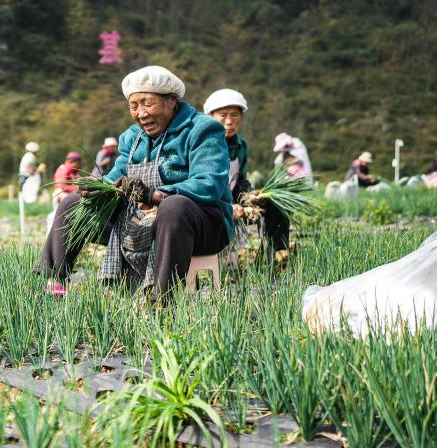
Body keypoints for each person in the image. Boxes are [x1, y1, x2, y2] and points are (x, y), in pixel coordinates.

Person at [37, 65, 232, 304]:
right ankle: (54, 284)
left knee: (174, 207)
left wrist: (158, 195)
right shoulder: (132, 136)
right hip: (139, 224)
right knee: (72, 203)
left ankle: (161, 301)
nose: (141, 113)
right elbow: (116, 176)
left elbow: (209, 183)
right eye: (134, 106)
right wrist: (98, 188)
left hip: (201, 225)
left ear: (172, 101)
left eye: (147, 104)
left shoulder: (202, 129)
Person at [204, 88, 290, 263]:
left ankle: (274, 255)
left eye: (235, 115)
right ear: (210, 116)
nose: (229, 121)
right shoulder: (202, 142)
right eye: (223, 115)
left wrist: (250, 195)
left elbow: (240, 180)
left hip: (233, 200)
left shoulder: (240, 145)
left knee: (275, 206)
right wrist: (227, 206)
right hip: (207, 203)